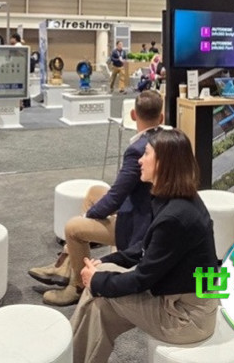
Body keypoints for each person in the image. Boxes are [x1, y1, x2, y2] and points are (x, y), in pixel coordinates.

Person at [69, 129, 219, 363]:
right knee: (100, 302)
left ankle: (69, 353)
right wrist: (107, 261)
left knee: (97, 292)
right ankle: (73, 356)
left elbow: (143, 279)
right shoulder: (173, 198)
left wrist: (96, 281)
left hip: (186, 318)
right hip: (178, 298)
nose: (140, 160)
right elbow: (145, 246)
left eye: (146, 154)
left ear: (163, 163)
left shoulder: (175, 216)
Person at [28, 91, 164, 306]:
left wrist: (88, 216)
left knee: (73, 228)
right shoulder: (164, 138)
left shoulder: (138, 149)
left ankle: (78, 285)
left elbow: (116, 197)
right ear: (162, 117)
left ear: (133, 114)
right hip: (147, 208)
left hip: (138, 226)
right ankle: (67, 264)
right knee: (94, 191)